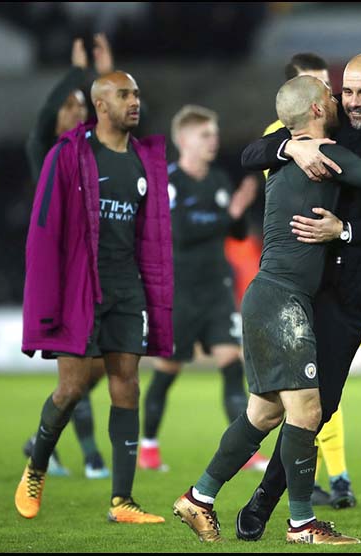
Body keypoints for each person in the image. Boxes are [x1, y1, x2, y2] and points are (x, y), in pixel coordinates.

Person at [171, 75, 361, 544]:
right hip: (284, 300)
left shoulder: (296, 150)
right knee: (307, 409)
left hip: (274, 295)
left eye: (355, 93)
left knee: (264, 413)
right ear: (317, 110)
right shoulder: (322, 152)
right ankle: (301, 523)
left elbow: (260, 151)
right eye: (335, 97)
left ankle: (199, 498)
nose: (341, 101)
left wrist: (290, 147)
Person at [16, 71, 173, 524]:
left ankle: (121, 500)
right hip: (80, 289)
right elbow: (44, 232)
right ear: (100, 105)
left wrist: (155, 292)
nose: (135, 101)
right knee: (70, 389)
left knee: (127, 384)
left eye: (137, 94)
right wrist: (46, 301)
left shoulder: (145, 161)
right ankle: (37, 467)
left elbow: (152, 236)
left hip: (128, 288)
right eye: (124, 94)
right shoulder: (69, 155)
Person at [138, 105, 263, 472]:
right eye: (205, 135)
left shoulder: (219, 181)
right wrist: (229, 215)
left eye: (214, 134)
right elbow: (183, 231)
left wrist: (237, 216)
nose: (214, 141)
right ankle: (149, 446)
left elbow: (236, 234)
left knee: (230, 362)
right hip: (179, 293)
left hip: (216, 289)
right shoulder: (170, 183)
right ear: (183, 140)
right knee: (168, 368)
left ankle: (245, 451)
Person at [259, 52, 357, 509]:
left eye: (327, 84)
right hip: (293, 279)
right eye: (316, 85)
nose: (329, 94)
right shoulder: (283, 139)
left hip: (326, 277)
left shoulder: (337, 132)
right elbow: (253, 153)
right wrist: (291, 146)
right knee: (295, 400)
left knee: (316, 393)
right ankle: (304, 496)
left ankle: (331, 477)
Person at [22, 34, 115, 480]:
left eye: (84, 106)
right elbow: (43, 120)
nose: (80, 112)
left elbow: (120, 118)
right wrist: (78, 73)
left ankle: (41, 441)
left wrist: (105, 75)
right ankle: (90, 455)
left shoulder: (96, 154)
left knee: (92, 374)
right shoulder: (48, 154)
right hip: (66, 280)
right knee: (75, 380)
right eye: (71, 107)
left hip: (102, 278)